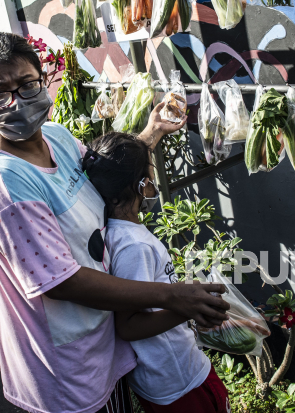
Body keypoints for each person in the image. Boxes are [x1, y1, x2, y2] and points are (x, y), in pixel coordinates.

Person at [0, 31, 230, 413]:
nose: (17, 101)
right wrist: (174, 296)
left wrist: (149, 135)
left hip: (104, 354)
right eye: (0, 93)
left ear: (42, 77)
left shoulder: (56, 137)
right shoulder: (4, 183)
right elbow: (63, 282)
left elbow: (104, 176)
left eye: (26, 83)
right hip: (65, 373)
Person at [85, 132, 231, 413]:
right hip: (178, 379)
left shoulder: (114, 235)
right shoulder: (133, 246)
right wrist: (189, 308)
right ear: (141, 184)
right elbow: (127, 325)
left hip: (166, 378)